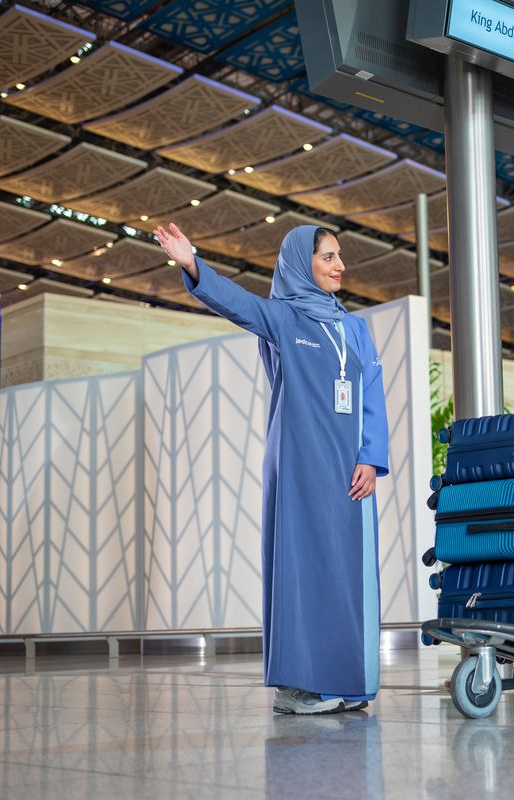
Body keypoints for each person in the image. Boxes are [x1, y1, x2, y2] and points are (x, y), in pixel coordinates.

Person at [155, 222, 389, 715]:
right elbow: (235, 302)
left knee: (347, 574)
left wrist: (370, 456)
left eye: (339, 256)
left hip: (350, 469)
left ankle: (345, 679)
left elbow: (371, 395)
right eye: (328, 257)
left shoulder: (354, 328)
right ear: (303, 264)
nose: (339, 266)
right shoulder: (283, 318)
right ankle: (303, 682)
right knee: (305, 570)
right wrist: (192, 263)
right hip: (300, 463)